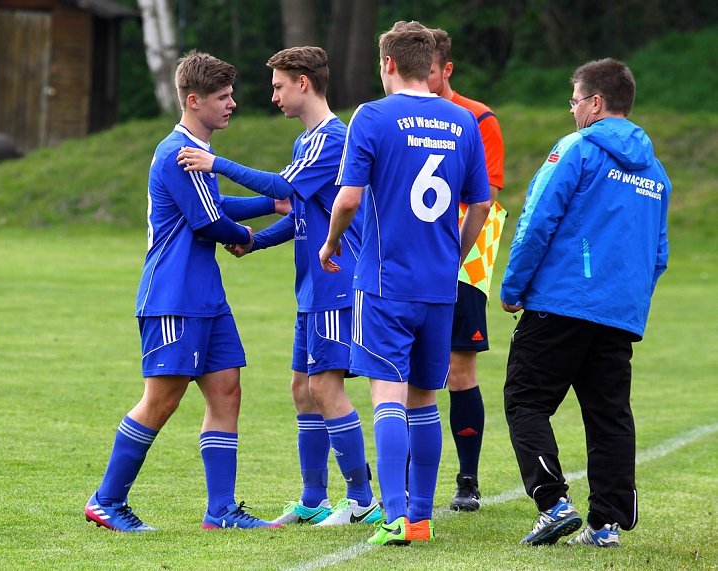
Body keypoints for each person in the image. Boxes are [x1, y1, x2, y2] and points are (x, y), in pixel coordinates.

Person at [177, 46, 382, 527]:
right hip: (311, 286)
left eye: (278, 86)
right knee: (302, 389)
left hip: (336, 280)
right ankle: (313, 499)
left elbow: (282, 189)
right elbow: (300, 215)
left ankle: (361, 499)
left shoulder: (332, 139)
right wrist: (256, 242)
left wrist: (216, 164)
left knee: (325, 386)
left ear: (303, 83)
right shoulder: (306, 141)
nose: (273, 97)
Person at [84, 51, 284, 533]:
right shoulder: (177, 151)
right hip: (172, 297)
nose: (231, 104)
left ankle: (222, 510)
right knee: (163, 398)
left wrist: (271, 203)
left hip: (205, 297)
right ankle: (107, 500)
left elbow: (215, 201)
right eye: (222, 97)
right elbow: (207, 220)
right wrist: (248, 236)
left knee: (227, 389)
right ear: (193, 101)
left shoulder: (198, 154)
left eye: (231, 95)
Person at [319, 21, 490, 546]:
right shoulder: (463, 120)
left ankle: (394, 514)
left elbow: (349, 198)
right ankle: (420, 518)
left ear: (389, 63)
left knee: (387, 397)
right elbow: (481, 204)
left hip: (385, 281)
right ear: (429, 65)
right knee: (424, 400)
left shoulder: (372, 116)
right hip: (439, 286)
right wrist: (452, 255)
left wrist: (331, 244)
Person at [500, 58, 670, 548]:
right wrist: (627, 300)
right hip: (618, 313)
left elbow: (537, 221)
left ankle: (553, 503)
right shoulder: (655, 171)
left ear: (595, 103)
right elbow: (658, 254)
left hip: (561, 301)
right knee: (608, 415)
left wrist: (513, 288)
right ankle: (605, 525)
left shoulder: (576, 150)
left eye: (574, 101)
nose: (572, 110)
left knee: (525, 401)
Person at [424, 27, 507, 512]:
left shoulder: (479, 118)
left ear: (447, 69)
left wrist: (451, 252)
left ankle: (468, 480)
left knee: (459, 367)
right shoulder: (398, 115)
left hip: (465, 257)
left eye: (430, 71)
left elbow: (486, 198)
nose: (422, 78)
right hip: (415, 255)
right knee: (408, 370)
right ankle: (407, 480)